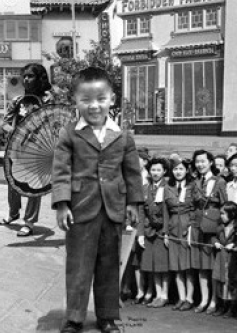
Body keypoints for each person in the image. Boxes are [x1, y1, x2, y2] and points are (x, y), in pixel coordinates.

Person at [52, 67, 144, 333]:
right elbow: (60, 172)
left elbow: (132, 173)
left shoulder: (123, 135)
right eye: (86, 100)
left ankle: (106, 316)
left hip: (113, 209)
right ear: (75, 101)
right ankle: (75, 317)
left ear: (112, 99)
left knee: (109, 264)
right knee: (78, 266)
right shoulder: (68, 134)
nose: (94, 106)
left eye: (101, 99)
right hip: (81, 209)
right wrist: (62, 204)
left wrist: (133, 204)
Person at [0, 63, 53, 237]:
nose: (26, 79)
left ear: (40, 79)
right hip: (18, 148)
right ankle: (13, 213)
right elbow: (5, 123)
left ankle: (29, 221)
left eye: (30, 76)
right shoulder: (18, 101)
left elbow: (54, 124)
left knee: (34, 186)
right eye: (25, 76)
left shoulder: (48, 101)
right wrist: (15, 132)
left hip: (38, 149)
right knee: (12, 181)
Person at [190, 149, 228, 313]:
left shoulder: (219, 181)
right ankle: (204, 299)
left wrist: (221, 230)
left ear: (210, 162)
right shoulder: (195, 182)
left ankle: (214, 301)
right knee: (201, 266)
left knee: (212, 266)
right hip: (199, 227)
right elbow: (193, 206)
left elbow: (225, 206)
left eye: (203, 161)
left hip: (213, 228)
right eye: (197, 161)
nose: (200, 164)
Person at [138, 157, 172, 308]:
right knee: (153, 265)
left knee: (163, 265)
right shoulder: (145, 188)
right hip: (148, 230)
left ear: (164, 171)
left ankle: (164, 294)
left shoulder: (168, 188)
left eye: (159, 170)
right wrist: (140, 233)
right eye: (153, 170)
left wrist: (166, 232)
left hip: (162, 231)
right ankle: (157, 294)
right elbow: (141, 212)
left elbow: (167, 212)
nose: (156, 173)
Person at [166, 157, 196, 311]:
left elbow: (194, 209)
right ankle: (181, 297)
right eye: (175, 169)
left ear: (186, 170)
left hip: (187, 227)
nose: (178, 172)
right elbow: (165, 211)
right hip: (172, 228)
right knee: (176, 265)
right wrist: (165, 232)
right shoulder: (168, 187)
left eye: (181, 169)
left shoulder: (192, 186)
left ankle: (190, 298)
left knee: (187, 266)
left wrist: (191, 227)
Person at [212, 201, 237, 316]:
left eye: (223, 214)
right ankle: (222, 305)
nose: (221, 216)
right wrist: (216, 243)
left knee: (231, 283)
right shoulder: (220, 226)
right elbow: (214, 238)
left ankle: (232, 308)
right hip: (221, 258)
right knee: (221, 282)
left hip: (232, 260)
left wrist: (234, 245)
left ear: (232, 214)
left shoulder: (235, 228)